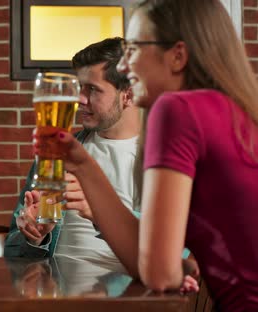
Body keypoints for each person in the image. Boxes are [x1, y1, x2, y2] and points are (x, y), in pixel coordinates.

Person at [36, 0, 258, 310]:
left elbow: (159, 274)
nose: (125, 68)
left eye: (135, 50)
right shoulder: (234, 111)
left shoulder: (177, 110)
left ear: (178, 56)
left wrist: (169, 267)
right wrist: (84, 165)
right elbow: (164, 267)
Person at [5, 38, 140, 273]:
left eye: (93, 89)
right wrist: (35, 236)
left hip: (127, 295)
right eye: (80, 87)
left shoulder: (159, 160)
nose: (79, 99)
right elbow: (14, 248)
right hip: (55, 293)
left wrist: (101, 214)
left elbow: (176, 252)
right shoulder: (59, 151)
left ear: (127, 95)